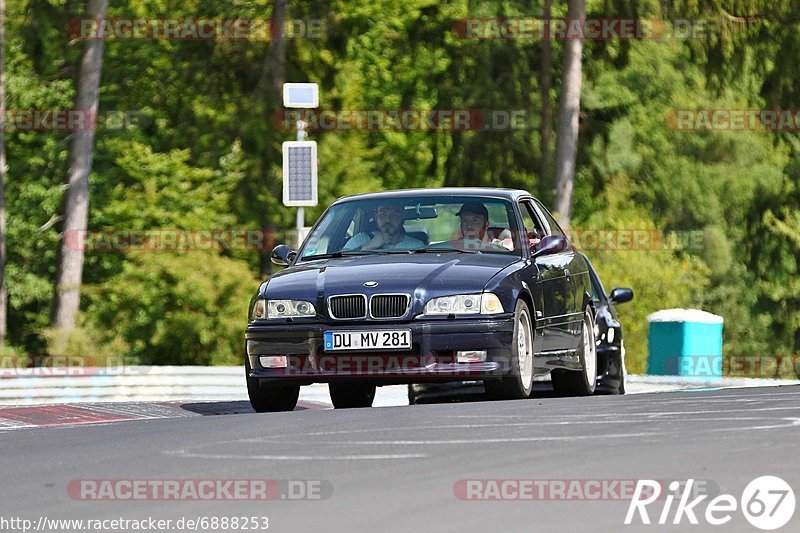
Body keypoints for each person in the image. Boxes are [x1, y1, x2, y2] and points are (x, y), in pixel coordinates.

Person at [344, 204, 425, 251]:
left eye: (394, 215)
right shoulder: (360, 240)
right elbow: (340, 263)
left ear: (402, 219)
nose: (388, 219)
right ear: (376, 217)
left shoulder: (416, 246)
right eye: (383, 214)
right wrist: (369, 245)